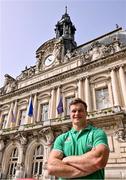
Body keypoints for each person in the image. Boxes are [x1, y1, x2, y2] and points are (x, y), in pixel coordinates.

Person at [48, 98, 109, 179]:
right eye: (73, 111)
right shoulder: (61, 138)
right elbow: (52, 167)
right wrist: (88, 168)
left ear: (86, 113)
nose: (77, 113)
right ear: (70, 114)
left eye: (80, 110)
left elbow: (99, 160)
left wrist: (66, 160)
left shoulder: (97, 133)